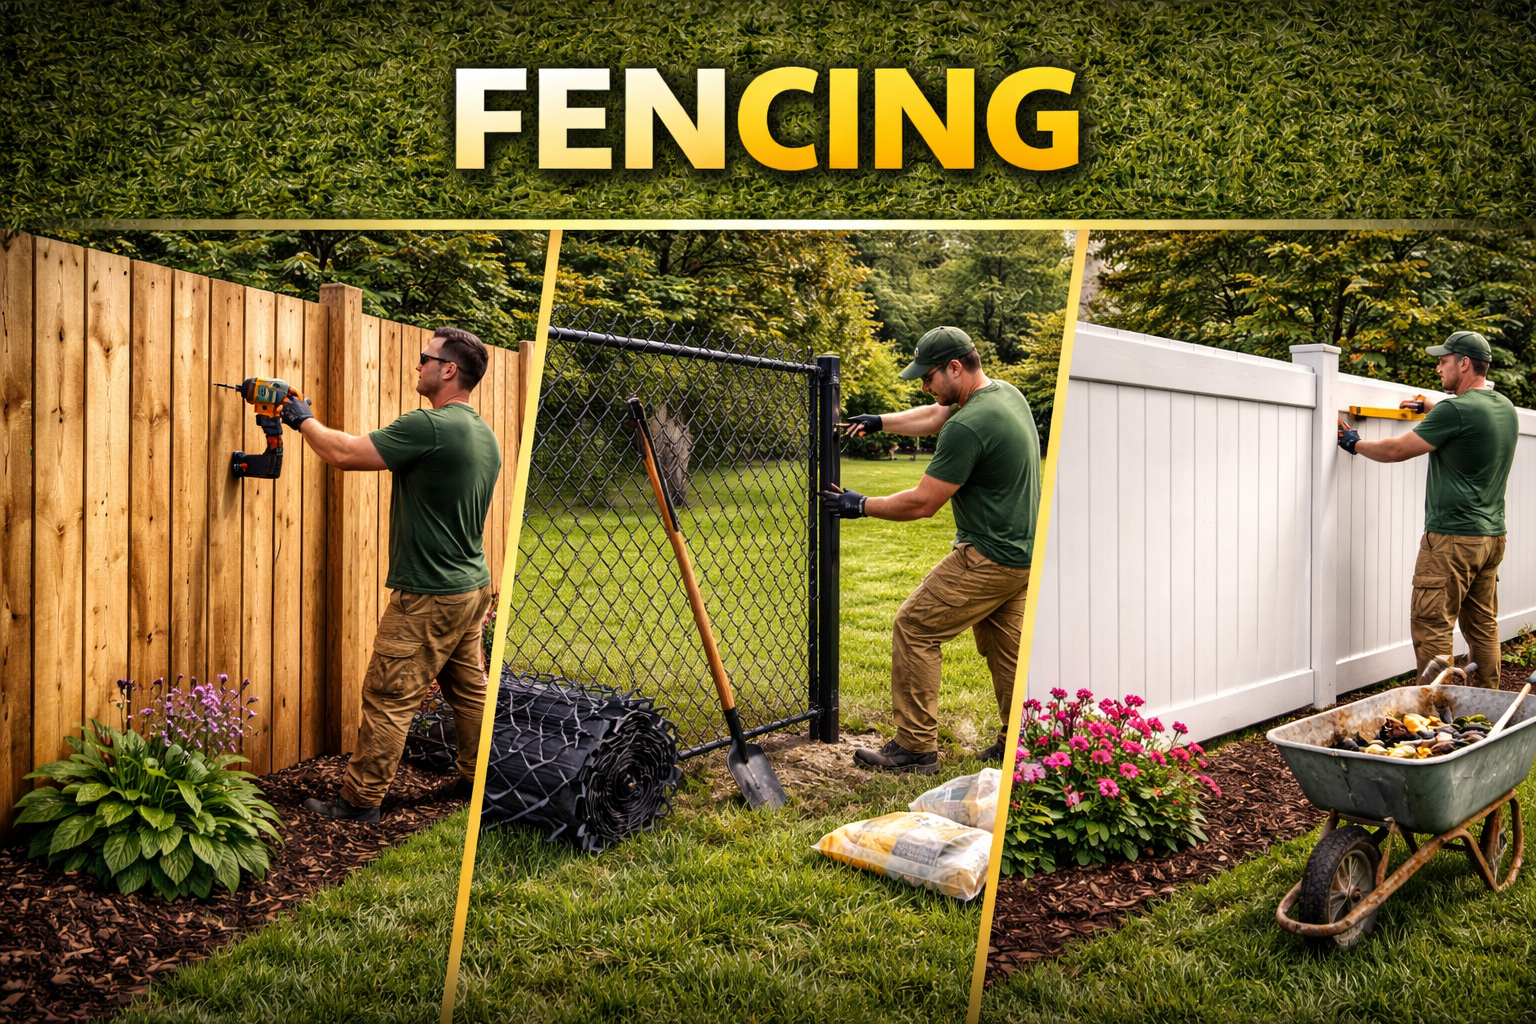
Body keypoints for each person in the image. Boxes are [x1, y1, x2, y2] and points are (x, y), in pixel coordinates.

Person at [286, 326, 502, 821]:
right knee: (469, 690)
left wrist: (303, 420)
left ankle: (360, 802)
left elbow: (342, 453)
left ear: (449, 370)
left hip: (428, 592)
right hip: (469, 587)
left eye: (425, 358)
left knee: (388, 695)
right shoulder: (482, 433)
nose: (417, 365)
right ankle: (477, 777)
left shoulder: (432, 426)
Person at [823, 326, 1040, 774]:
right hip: (1024, 555)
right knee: (1007, 648)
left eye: (929, 376)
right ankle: (1017, 742)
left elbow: (924, 503)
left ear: (955, 367)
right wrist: (881, 420)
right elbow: (935, 413)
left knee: (916, 627)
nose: (925, 385)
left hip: (988, 555)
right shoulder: (1004, 395)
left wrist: (860, 504)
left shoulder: (968, 425)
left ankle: (914, 748)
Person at [1338, 330, 1518, 688]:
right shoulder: (1504, 408)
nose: (1438, 368)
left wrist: (1354, 442)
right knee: (1483, 625)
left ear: (1464, 363)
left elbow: (1395, 450)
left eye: (1444, 360)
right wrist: (1430, 409)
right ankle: (1485, 709)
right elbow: (1466, 423)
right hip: (1491, 538)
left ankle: (1439, 718)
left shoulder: (1457, 410)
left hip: (1451, 540)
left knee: (1432, 624)